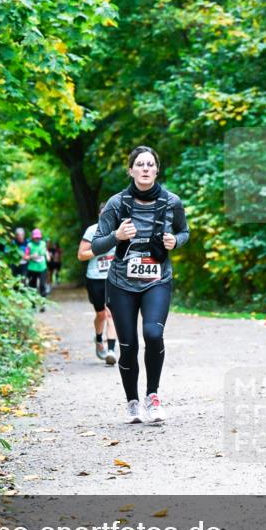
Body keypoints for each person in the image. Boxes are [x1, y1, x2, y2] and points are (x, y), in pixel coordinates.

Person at [89, 146, 189, 424]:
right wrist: (117, 236)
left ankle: (152, 396)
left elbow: (184, 231)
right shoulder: (116, 204)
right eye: (140, 164)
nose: (145, 168)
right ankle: (132, 401)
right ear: (131, 170)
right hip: (121, 283)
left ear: (157, 170)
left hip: (157, 280)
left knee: (153, 334)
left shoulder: (172, 202)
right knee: (128, 345)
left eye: (150, 164)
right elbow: (96, 245)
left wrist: (175, 241)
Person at [79, 202, 118, 366]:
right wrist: (99, 249)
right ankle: (99, 338)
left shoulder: (119, 231)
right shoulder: (92, 231)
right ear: (99, 215)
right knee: (101, 314)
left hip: (114, 278)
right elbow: (81, 255)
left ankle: (111, 351)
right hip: (95, 278)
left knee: (111, 314)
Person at [25, 228, 50, 308]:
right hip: (32, 269)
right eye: (36, 237)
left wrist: (48, 255)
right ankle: (33, 304)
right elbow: (25, 257)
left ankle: (43, 303)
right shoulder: (29, 245)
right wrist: (31, 256)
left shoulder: (43, 243)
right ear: (33, 238)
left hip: (42, 267)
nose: (37, 239)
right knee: (32, 286)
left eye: (38, 237)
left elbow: (45, 251)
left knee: (42, 285)